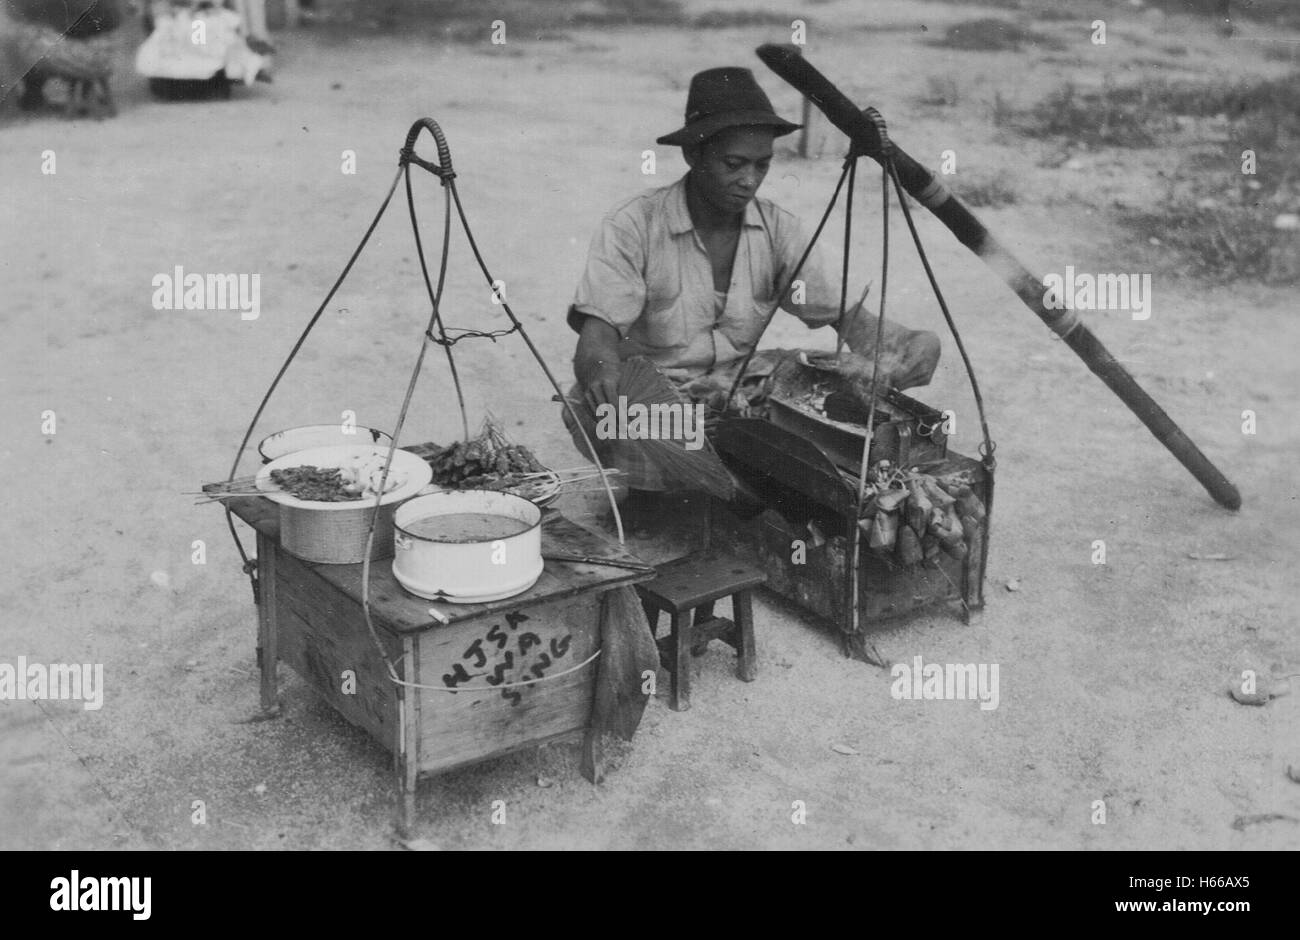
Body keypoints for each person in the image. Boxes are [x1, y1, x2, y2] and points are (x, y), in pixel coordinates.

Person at [563, 66, 940, 500]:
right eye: (733, 164)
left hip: (733, 389)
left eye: (762, 165)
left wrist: (909, 344)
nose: (749, 180)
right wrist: (607, 385)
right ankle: (701, 490)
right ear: (694, 155)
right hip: (654, 395)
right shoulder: (635, 225)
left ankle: (734, 482)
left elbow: (852, 322)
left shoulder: (778, 230)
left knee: (819, 381)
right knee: (605, 418)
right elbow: (595, 343)